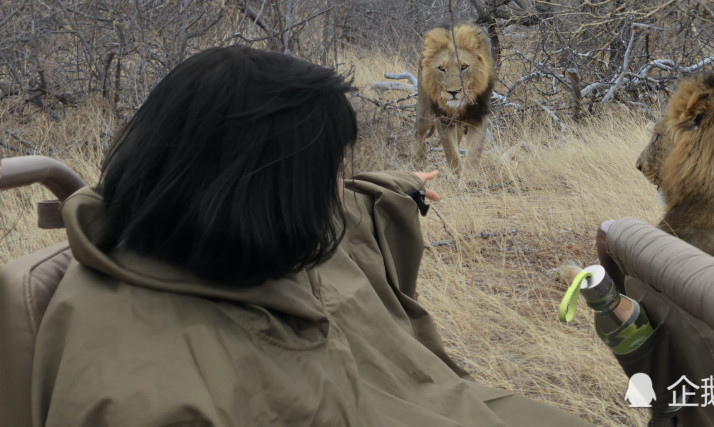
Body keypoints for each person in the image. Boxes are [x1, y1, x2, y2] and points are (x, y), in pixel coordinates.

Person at [31, 45, 593, 426]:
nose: (339, 188)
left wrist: (399, 190)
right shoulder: (150, 394)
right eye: (326, 170)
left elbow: (343, 212)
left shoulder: (208, 244)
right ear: (261, 192)